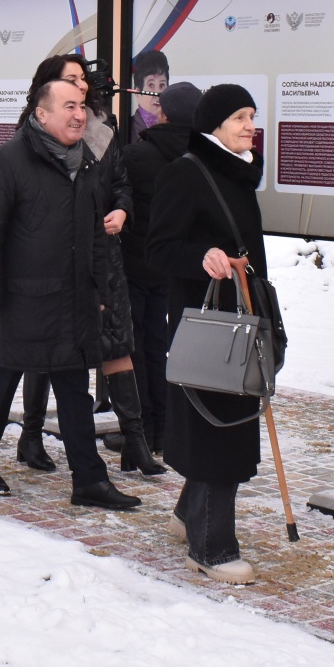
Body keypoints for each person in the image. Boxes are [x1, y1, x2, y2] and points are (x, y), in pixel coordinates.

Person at [0, 77, 140, 511]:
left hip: (75, 298)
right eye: (69, 106)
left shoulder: (87, 163)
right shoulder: (6, 161)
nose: (80, 114)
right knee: (3, 379)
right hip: (22, 299)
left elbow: (97, 236)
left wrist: (97, 289)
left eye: (82, 106)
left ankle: (89, 480)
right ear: (41, 114)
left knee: (74, 389)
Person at [150, 83, 285, 585]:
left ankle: (190, 513)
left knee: (228, 420)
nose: (251, 125)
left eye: (252, 115)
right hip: (209, 327)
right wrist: (201, 256)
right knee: (218, 430)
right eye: (240, 118)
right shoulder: (185, 173)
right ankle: (210, 547)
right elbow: (158, 249)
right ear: (214, 127)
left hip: (245, 317)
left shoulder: (238, 173)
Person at [12, 54, 153, 478]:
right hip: (58, 253)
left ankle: (135, 440)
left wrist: (122, 211)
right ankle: (31, 434)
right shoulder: (34, 132)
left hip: (103, 254)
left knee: (117, 341)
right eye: (70, 81)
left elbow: (122, 184)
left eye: (83, 80)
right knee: (47, 345)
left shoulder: (103, 130)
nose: (82, 88)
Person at [120, 80, 203, 456]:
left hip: (137, 267)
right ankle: (168, 428)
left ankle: (143, 429)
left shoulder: (138, 155)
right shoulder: (202, 156)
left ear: (163, 113)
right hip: (179, 270)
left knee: (136, 348)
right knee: (165, 347)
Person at [131, 49, 171, 136]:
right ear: (137, 92)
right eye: (151, 85)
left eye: (162, 85)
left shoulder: (174, 128)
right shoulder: (126, 130)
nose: (157, 93)